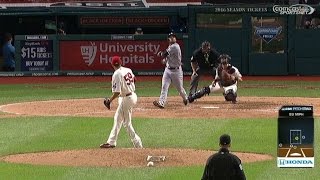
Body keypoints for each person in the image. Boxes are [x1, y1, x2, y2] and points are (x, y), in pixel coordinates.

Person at [100, 56, 143, 149]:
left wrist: (109, 101)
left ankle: (138, 143)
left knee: (126, 123)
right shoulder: (128, 69)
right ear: (121, 63)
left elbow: (117, 92)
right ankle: (111, 142)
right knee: (117, 118)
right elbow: (134, 80)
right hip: (132, 95)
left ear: (112, 64)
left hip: (126, 99)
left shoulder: (116, 74)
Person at [153, 32, 188, 108]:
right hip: (168, 70)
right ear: (168, 39)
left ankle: (185, 98)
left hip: (176, 72)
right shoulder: (170, 46)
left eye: (173, 37)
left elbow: (164, 54)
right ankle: (161, 103)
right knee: (164, 87)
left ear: (175, 39)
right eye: (170, 37)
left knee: (180, 89)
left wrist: (160, 54)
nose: (172, 38)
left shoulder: (175, 46)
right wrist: (165, 61)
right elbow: (168, 57)